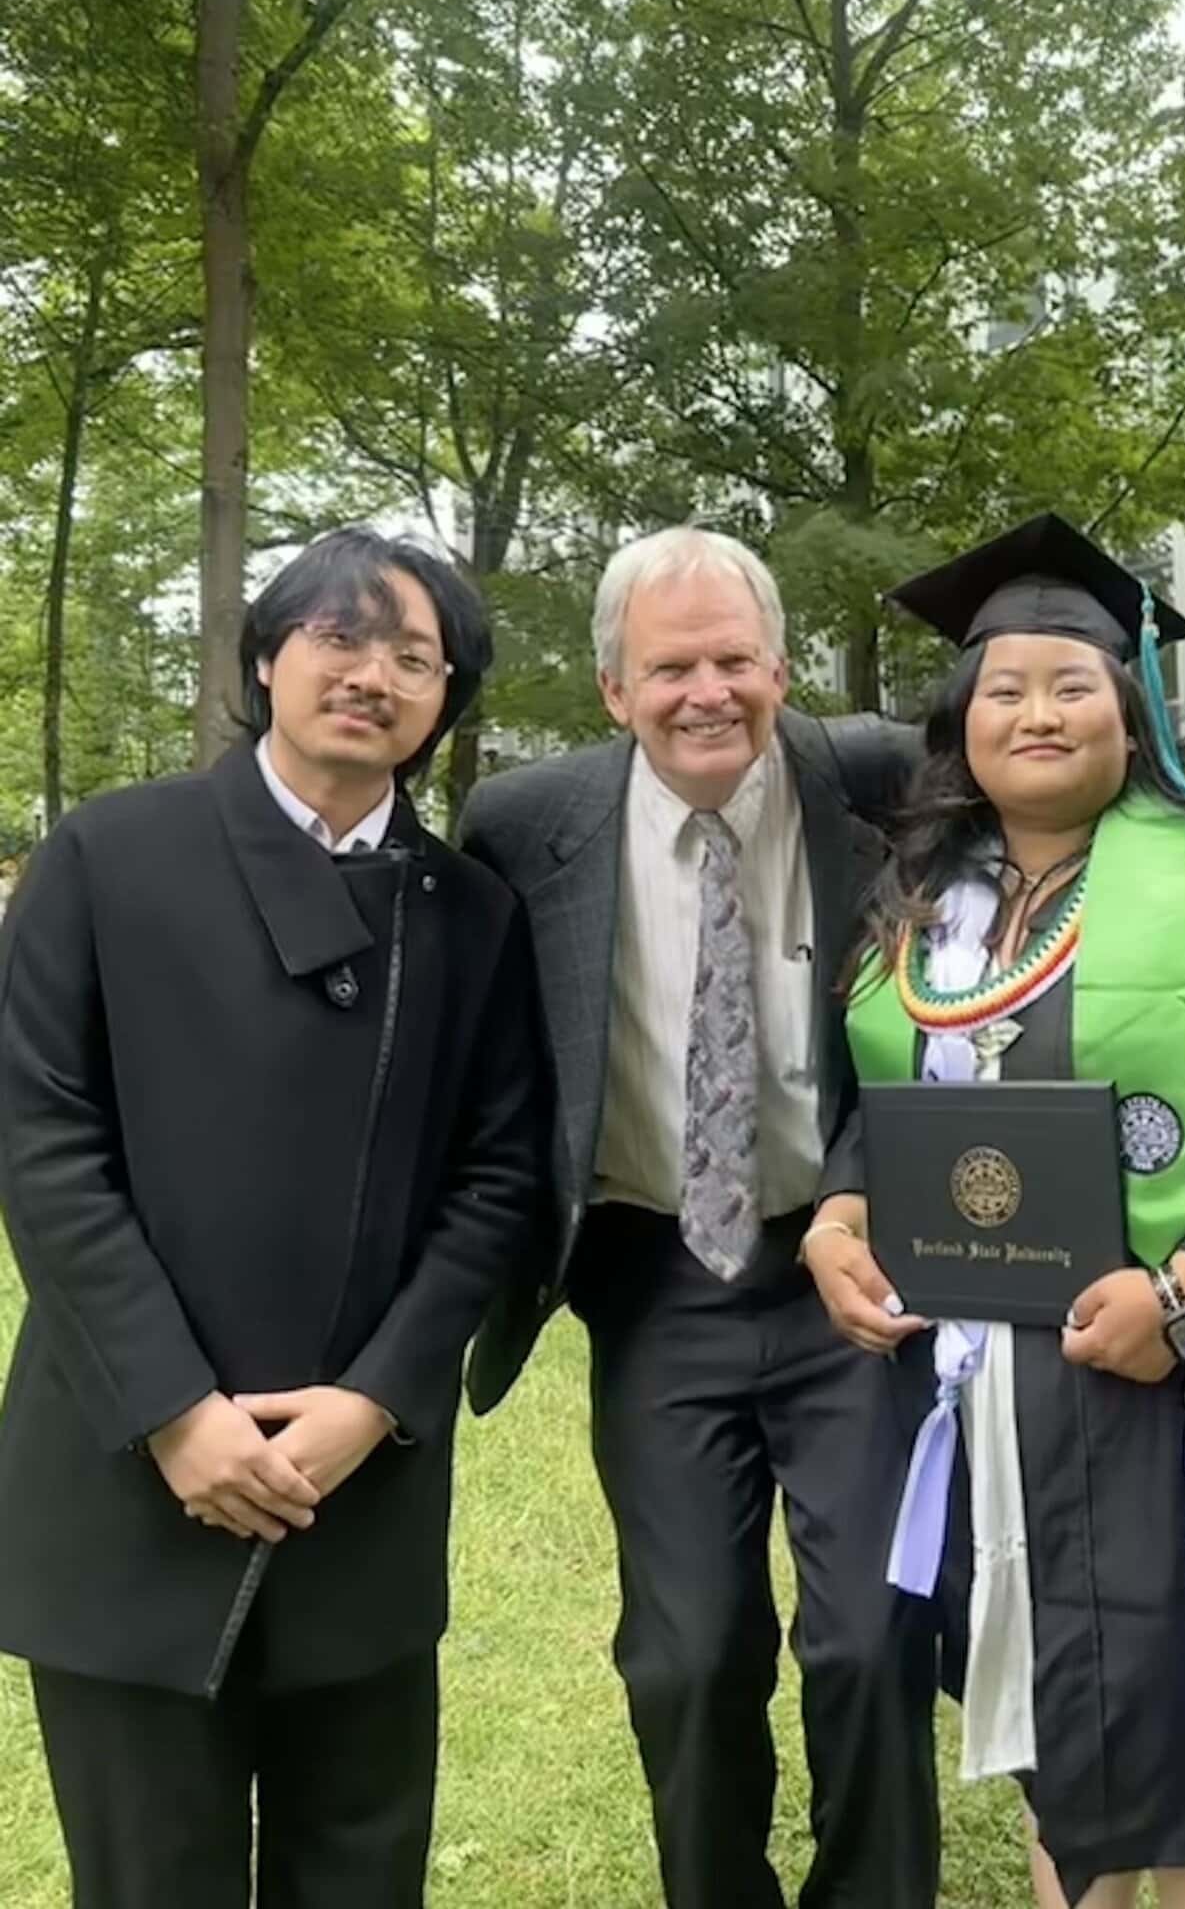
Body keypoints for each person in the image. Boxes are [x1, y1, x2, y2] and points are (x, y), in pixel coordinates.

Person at [803, 514, 1185, 1909]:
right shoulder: (919, 899)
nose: (1038, 713)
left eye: (1074, 685)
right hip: (981, 1383)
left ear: (1132, 719)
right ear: (962, 726)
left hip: (1164, 1384)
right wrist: (838, 1218)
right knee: (1049, 1709)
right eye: (1003, 689)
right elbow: (868, 1100)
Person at [0, 528, 542, 1909]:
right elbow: (44, 1142)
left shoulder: (473, 915)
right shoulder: (109, 856)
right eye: (340, 638)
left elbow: (497, 1180)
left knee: (360, 1875)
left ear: (446, 702)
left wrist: (374, 1402)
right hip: (126, 1473)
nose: (373, 674)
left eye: (415, 657)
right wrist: (177, 1411)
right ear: (265, 658)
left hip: (357, 1493)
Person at [458, 528, 937, 1909]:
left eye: (735, 659)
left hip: (846, 1262)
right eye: (671, 668)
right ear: (613, 690)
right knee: (687, 1652)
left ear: (780, 666)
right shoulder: (525, 823)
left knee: (870, 1638)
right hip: (654, 1275)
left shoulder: (880, 784)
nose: (706, 692)